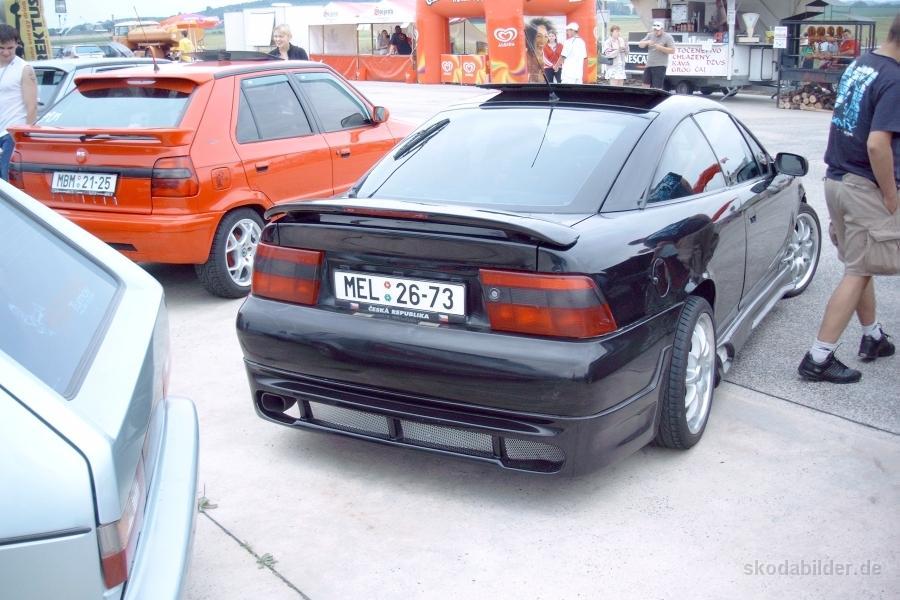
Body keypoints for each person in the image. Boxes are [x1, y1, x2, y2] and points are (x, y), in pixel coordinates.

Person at [797, 14, 900, 384]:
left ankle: (873, 336)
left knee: (860, 262)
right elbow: (877, 144)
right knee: (858, 271)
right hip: (864, 186)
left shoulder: (863, 64)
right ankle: (819, 357)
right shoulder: (895, 78)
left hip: (838, 179)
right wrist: (890, 194)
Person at [0, 24, 37, 182]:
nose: (6, 52)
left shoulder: (24, 69)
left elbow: (32, 106)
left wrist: (24, 136)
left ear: (17, 44)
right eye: (1, 48)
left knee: (7, 181)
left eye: (10, 48)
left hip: (12, 134)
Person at [638, 21, 675, 90]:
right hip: (649, 65)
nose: (656, 31)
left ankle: (656, 96)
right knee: (645, 85)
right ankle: (645, 96)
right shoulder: (650, 35)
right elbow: (640, 45)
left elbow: (672, 50)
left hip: (660, 65)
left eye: (658, 30)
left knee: (657, 87)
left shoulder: (668, 37)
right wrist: (647, 42)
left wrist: (660, 48)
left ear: (662, 29)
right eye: (654, 29)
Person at [525, 17, 552, 83]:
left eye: (546, 36)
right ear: (532, 37)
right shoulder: (525, 55)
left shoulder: (548, 53)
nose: (543, 40)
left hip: (545, 85)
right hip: (530, 85)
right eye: (539, 36)